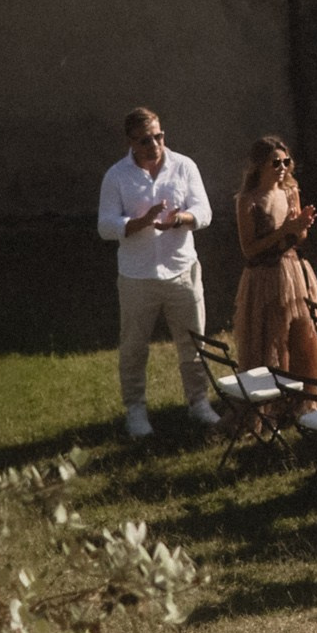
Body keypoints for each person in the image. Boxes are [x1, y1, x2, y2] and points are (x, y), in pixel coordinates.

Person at [94, 107, 219, 439]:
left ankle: (199, 403)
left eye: (159, 136)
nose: (154, 144)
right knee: (134, 347)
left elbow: (204, 211)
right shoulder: (117, 176)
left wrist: (179, 220)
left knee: (193, 343)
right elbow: (106, 226)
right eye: (145, 139)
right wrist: (142, 221)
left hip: (182, 269)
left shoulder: (184, 166)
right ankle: (136, 411)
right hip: (138, 276)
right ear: (131, 142)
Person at [230, 135, 317, 416]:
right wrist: (284, 230)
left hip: (293, 273)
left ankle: (304, 400)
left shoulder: (290, 192)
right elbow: (249, 250)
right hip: (264, 277)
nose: (282, 168)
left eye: (286, 162)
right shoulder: (247, 201)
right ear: (259, 166)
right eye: (276, 162)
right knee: (269, 339)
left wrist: (301, 226)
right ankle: (269, 406)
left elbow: (299, 238)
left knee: (303, 337)